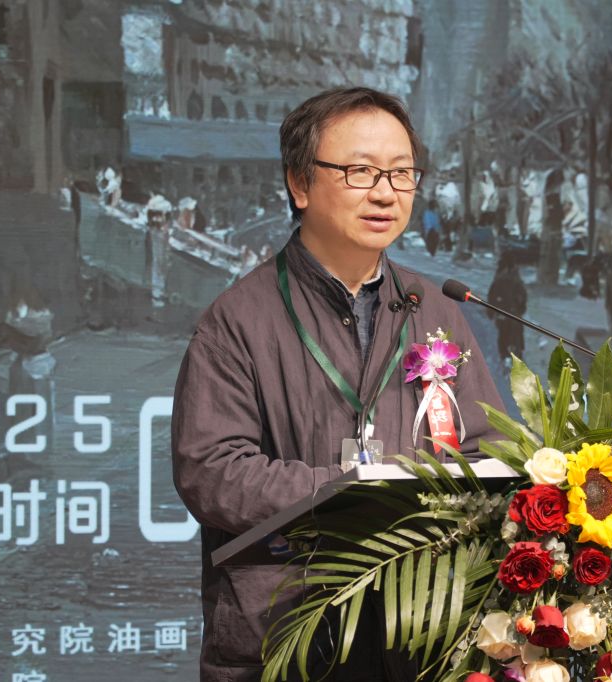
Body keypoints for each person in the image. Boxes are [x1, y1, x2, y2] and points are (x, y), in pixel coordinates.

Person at [171, 87, 503, 682]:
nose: (385, 192)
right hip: (287, 634)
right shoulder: (239, 319)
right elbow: (211, 470)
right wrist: (350, 492)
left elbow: (484, 448)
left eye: (401, 173)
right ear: (300, 183)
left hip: (420, 631)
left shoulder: (435, 309)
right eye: (360, 171)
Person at [487, 252, 528, 370]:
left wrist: (491, 312)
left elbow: (492, 295)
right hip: (514, 312)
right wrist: (521, 307)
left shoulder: (500, 276)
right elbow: (522, 295)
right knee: (516, 334)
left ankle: (505, 356)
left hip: (502, 312)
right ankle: (516, 356)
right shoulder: (516, 277)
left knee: (504, 334)